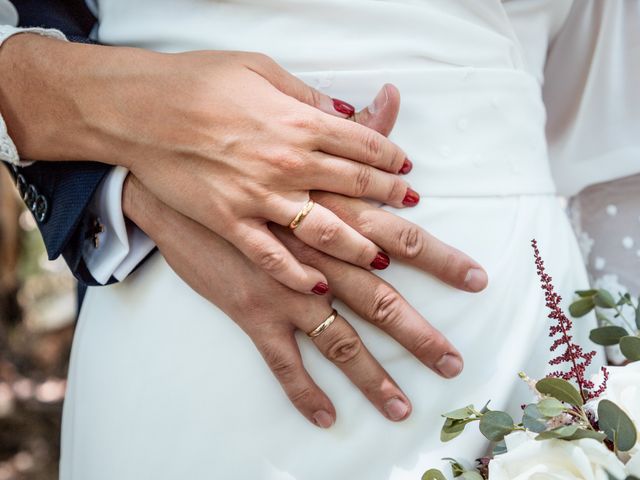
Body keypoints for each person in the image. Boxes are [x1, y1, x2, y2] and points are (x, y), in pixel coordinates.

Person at [0, 0, 637, 479]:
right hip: (191, 338)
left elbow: (613, 160)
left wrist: (626, 396)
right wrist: (129, 182)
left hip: (525, 346)